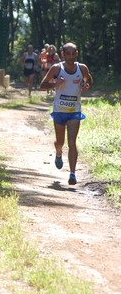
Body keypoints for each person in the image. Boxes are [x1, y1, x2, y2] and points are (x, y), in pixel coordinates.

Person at [40, 42, 93, 186]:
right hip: (59, 111)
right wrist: (55, 84)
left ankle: (72, 174)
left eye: (73, 53)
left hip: (74, 112)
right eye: (67, 54)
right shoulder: (57, 68)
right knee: (60, 142)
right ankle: (58, 152)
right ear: (63, 54)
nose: (70, 56)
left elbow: (89, 79)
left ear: (77, 53)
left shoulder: (82, 68)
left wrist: (85, 84)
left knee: (72, 142)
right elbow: (42, 85)